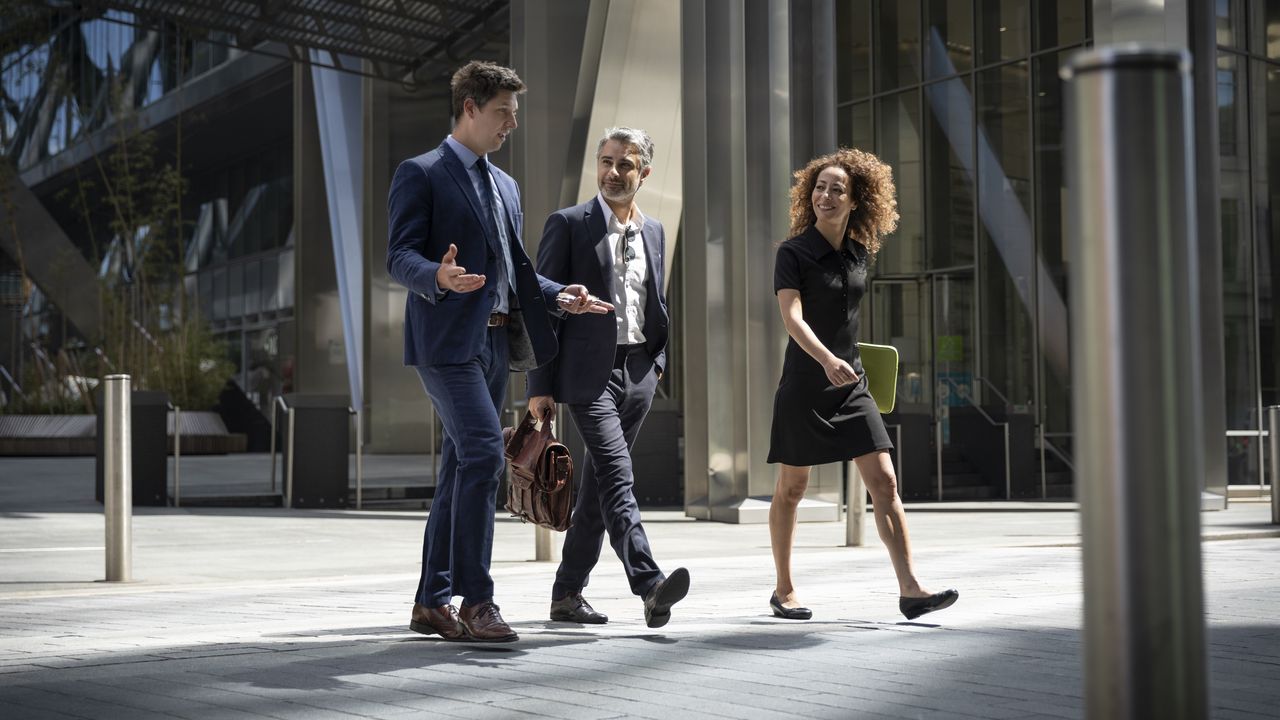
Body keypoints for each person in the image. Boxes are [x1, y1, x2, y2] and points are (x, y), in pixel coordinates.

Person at [386, 61, 610, 643]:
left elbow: (518, 272)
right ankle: (476, 599)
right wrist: (437, 274)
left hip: (493, 343)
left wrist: (564, 295)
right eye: (503, 112)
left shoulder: (505, 185)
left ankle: (430, 602)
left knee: (459, 467)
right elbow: (398, 256)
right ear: (469, 108)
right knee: (486, 452)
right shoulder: (422, 173)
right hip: (445, 343)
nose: (512, 123)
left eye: (514, 112)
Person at [767, 148, 958, 622]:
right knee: (792, 488)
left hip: (851, 384)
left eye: (838, 190)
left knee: (885, 480)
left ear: (857, 201)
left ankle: (911, 589)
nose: (826, 196)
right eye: (819, 187)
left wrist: (845, 361)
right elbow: (792, 317)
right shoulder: (793, 252)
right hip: (806, 383)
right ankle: (783, 589)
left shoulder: (857, 253)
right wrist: (827, 359)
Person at [527, 127, 690, 629]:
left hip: (640, 370)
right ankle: (649, 583)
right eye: (606, 161)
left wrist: (657, 363)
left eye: (625, 163)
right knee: (618, 474)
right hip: (587, 376)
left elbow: (652, 302)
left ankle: (566, 593)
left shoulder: (656, 231)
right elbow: (539, 307)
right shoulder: (569, 224)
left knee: (599, 487)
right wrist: (539, 386)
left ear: (644, 172)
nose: (612, 172)